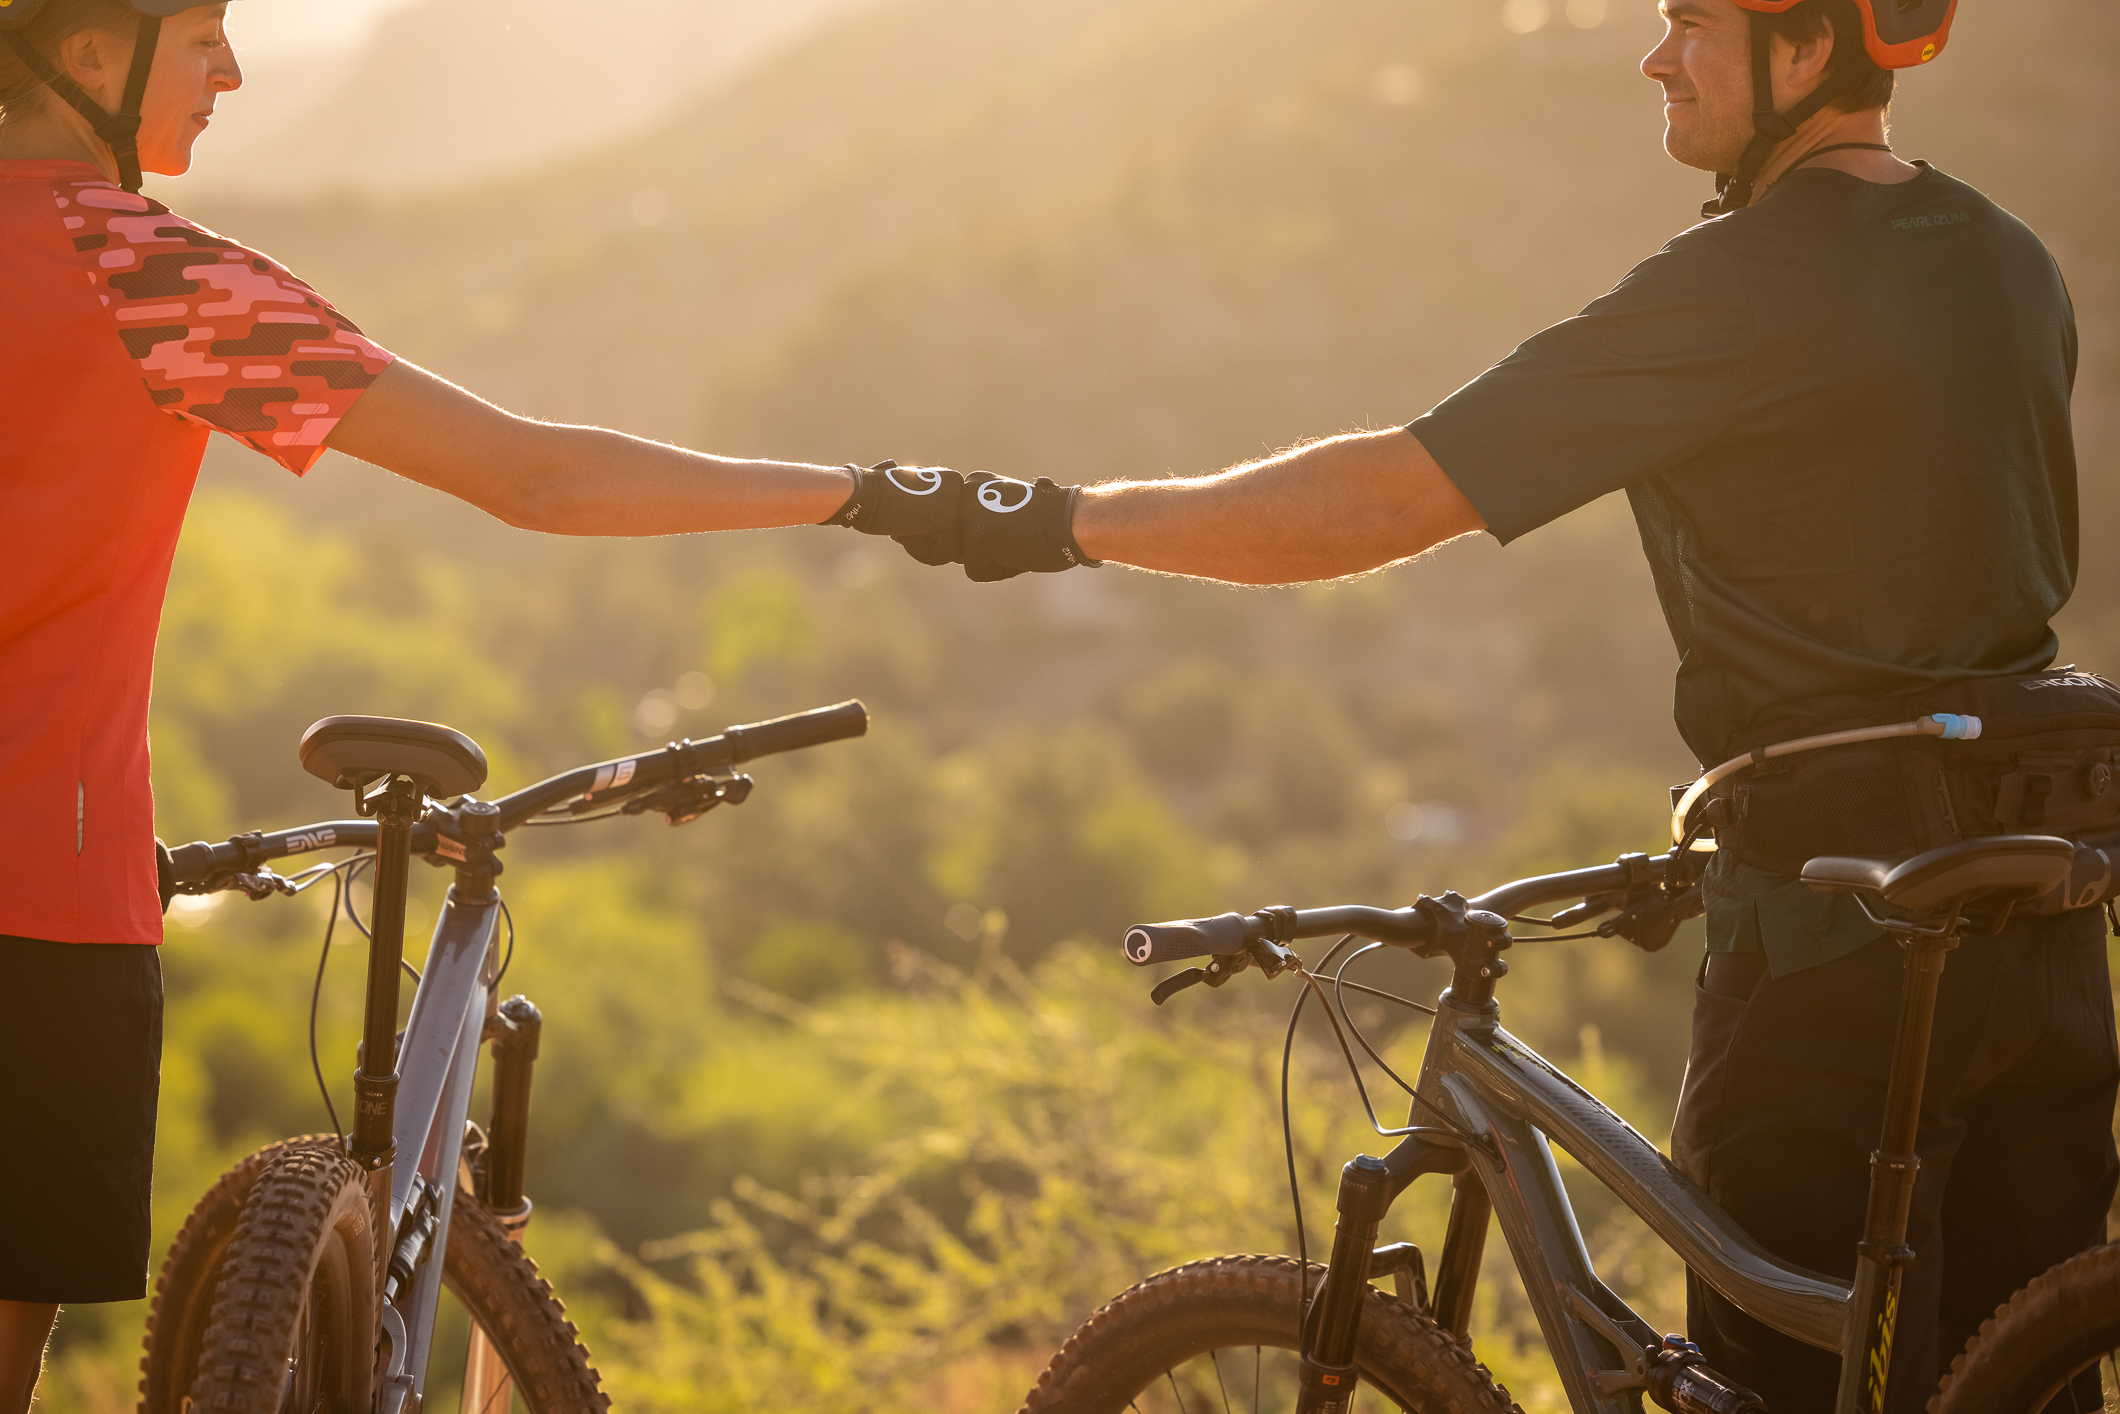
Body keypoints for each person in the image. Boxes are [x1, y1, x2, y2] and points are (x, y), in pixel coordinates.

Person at [833, 0, 2112, 1409]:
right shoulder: (2014, 262)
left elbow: (1383, 497)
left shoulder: (1742, 284)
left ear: (1805, 51)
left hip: (1836, 935)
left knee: (1782, 1379)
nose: (1656, 54)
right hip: (2044, 913)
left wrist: (1066, 520)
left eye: (1694, 23)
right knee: (2021, 1381)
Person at [0, 2, 881, 1405]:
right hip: (35, 895)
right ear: (90, 53)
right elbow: (539, 479)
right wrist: (857, 492)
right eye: (203, 32)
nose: (230, 68)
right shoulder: (150, 277)